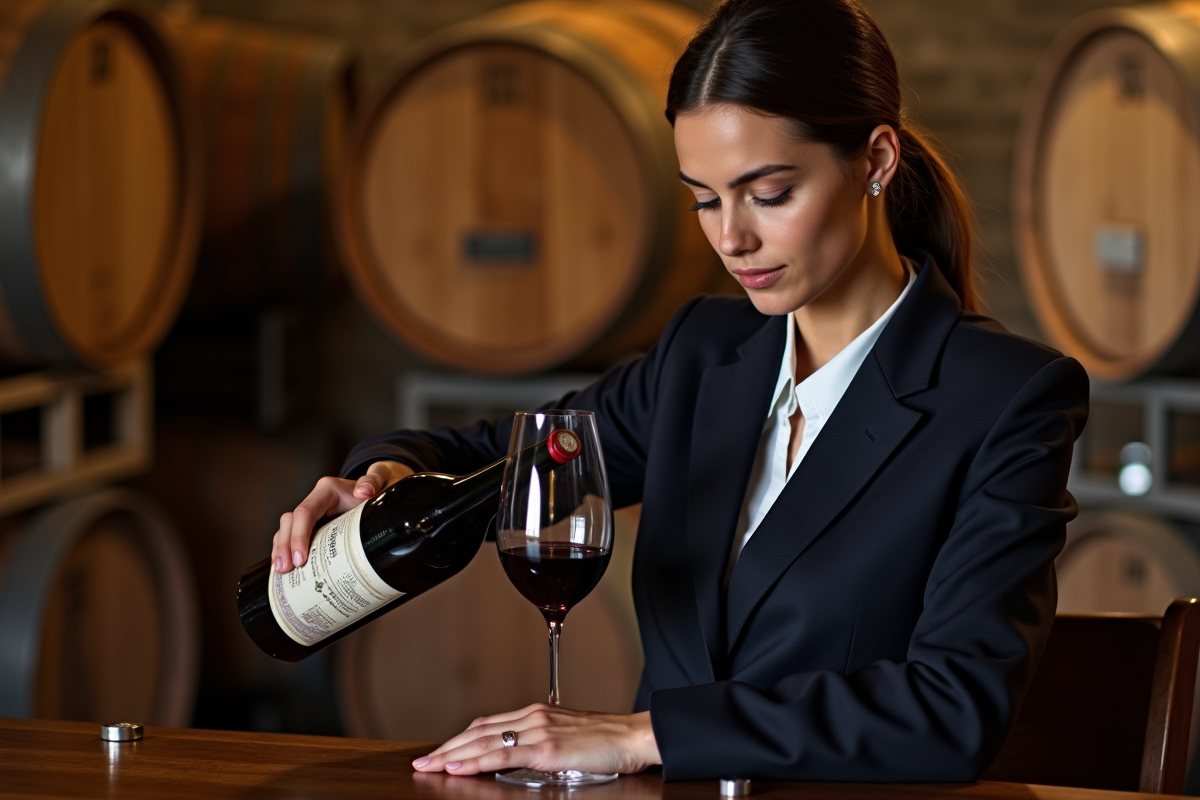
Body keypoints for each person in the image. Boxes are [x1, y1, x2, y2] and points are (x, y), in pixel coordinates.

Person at [272, 0, 1088, 782]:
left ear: (876, 160)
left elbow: (952, 712)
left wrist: (639, 736)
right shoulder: (703, 352)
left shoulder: (1008, 398)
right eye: (703, 198)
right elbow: (503, 459)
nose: (731, 237)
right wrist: (380, 474)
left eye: (769, 194)